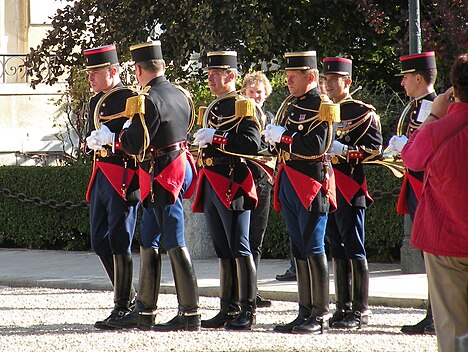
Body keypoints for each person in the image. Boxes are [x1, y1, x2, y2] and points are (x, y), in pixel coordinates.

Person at [90, 41, 200, 331]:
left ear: (138, 69)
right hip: (169, 166)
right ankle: (145, 311)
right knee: (149, 239)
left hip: (163, 171)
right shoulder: (178, 93)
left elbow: (135, 143)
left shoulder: (146, 99)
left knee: (173, 240)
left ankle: (190, 313)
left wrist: (114, 141)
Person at [263, 51, 337, 334]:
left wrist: (283, 136)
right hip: (290, 182)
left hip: (310, 184)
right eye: (288, 75)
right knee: (298, 248)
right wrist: (273, 138)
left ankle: (319, 315)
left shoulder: (323, 106)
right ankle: (304, 310)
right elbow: (280, 146)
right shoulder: (289, 105)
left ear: (311, 76)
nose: (288, 80)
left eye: (294, 76)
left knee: (313, 246)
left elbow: (315, 146)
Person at [400, 53, 468, 352]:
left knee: (452, 329)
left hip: (447, 242)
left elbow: (411, 156)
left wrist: (436, 114)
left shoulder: (439, 127)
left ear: (454, 89)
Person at [192, 51, 261, 330]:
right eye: (209, 73)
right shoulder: (215, 107)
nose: (209, 78)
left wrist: (216, 138)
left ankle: (248, 309)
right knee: (223, 248)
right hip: (211, 180)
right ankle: (228, 307)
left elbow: (250, 144)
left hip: (233, 181)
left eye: (215, 73)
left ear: (230, 76)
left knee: (240, 246)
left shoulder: (242, 105)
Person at [323, 57, 383, 329]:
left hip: (349, 185)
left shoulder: (362, 112)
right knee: (336, 246)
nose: (329, 84)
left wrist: (345, 151)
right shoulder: (322, 110)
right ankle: (342, 306)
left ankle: (361, 309)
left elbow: (374, 149)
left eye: (334, 79)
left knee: (354, 246)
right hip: (328, 186)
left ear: (347, 82)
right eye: (326, 79)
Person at [83, 44, 139, 330]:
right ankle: (126, 294)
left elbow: (136, 141)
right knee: (99, 239)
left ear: (113, 71)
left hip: (123, 175)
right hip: (101, 174)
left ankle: (124, 305)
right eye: (90, 72)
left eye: (96, 72)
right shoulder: (96, 101)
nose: (91, 78)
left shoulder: (130, 98)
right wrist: (90, 142)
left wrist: (112, 140)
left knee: (120, 239)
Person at [388, 51, 438, 335]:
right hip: (416, 185)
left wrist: (407, 146)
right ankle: (432, 312)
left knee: (434, 253)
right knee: (428, 253)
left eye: (406, 77)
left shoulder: (436, 107)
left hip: (429, 187)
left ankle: (436, 314)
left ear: (418, 77)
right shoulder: (416, 106)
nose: (403, 83)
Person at [242, 71, 274, 308]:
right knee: (242, 239)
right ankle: (242, 291)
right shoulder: (240, 116)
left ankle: (252, 290)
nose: (255, 97)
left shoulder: (270, 118)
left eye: (259, 93)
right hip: (244, 180)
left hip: (263, 180)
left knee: (256, 238)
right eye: (251, 92)